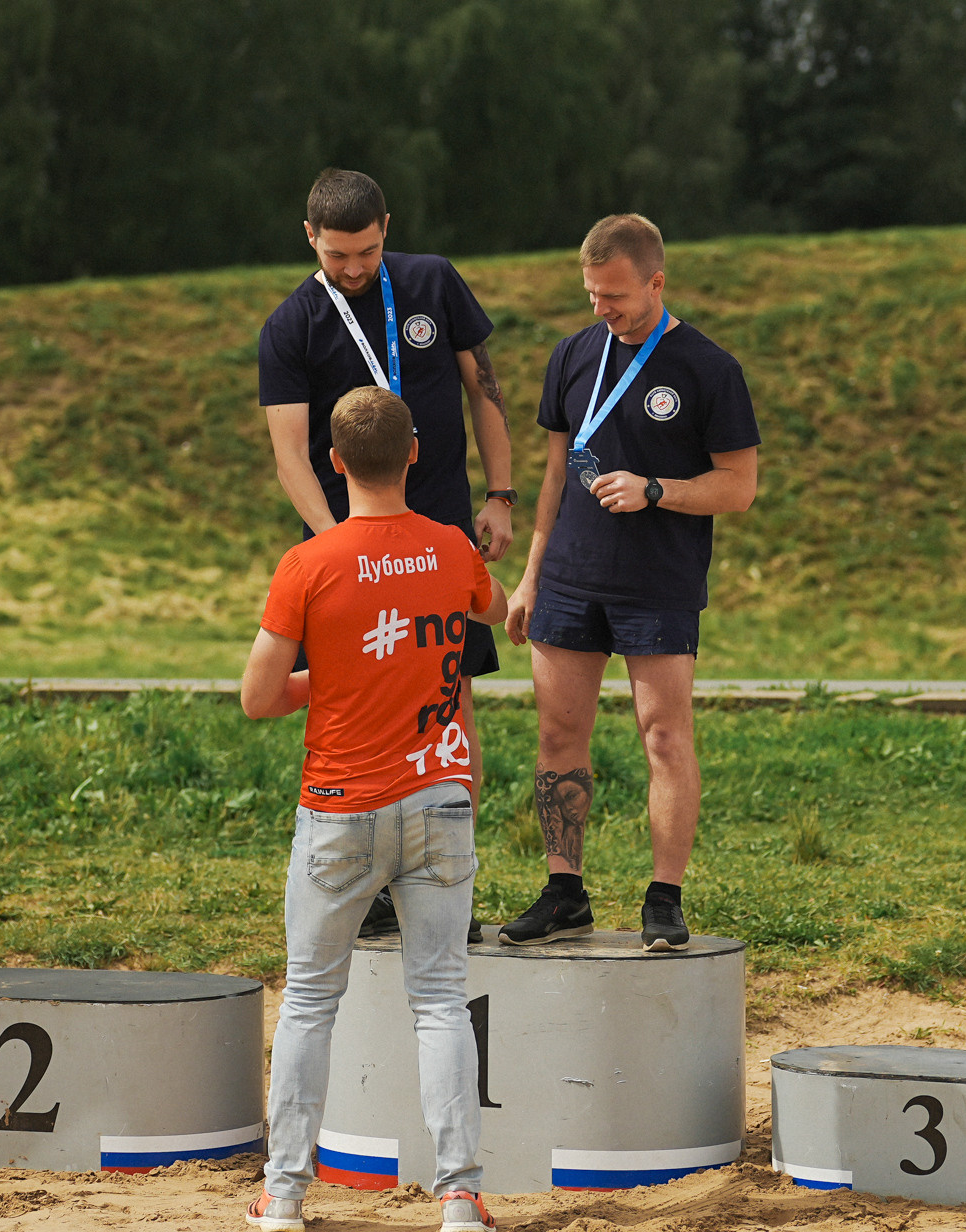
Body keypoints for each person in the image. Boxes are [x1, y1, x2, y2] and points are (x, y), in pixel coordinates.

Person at [238, 387, 506, 1232]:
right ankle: (459, 1195)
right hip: (440, 802)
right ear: (415, 453)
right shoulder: (452, 547)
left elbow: (258, 697)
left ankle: (283, 1196)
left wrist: (331, 675)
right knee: (441, 1001)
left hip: (340, 810)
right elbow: (495, 611)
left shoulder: (307, 564)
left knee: (310, 1003)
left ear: (335, 463)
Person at [259, 168, 515, 942]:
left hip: (441, 538)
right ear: (310, 237)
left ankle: (449, 882)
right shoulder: (292, 325)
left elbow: (485, 391)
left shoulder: (432, 282)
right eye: (338, 254)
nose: (354, 268)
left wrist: (501, 494)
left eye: (367, 251)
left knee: (450, 705)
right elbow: (291, 454)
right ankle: (368, 886)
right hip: (351, 554)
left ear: (387, 229)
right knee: (356, 709)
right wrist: (333, 540)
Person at [498, 215, 759, 953]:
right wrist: (530, 577)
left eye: (614, 295)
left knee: (665, 737)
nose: (601, 308)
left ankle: (664, 900)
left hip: (658, 582)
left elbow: (739, 486)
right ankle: (565, 893)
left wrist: (657, 491)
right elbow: (556, 473)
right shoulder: (572, 354)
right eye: (591, 294)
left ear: (656, 282)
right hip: (569, 578)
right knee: (559, 735)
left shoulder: (709, 368)